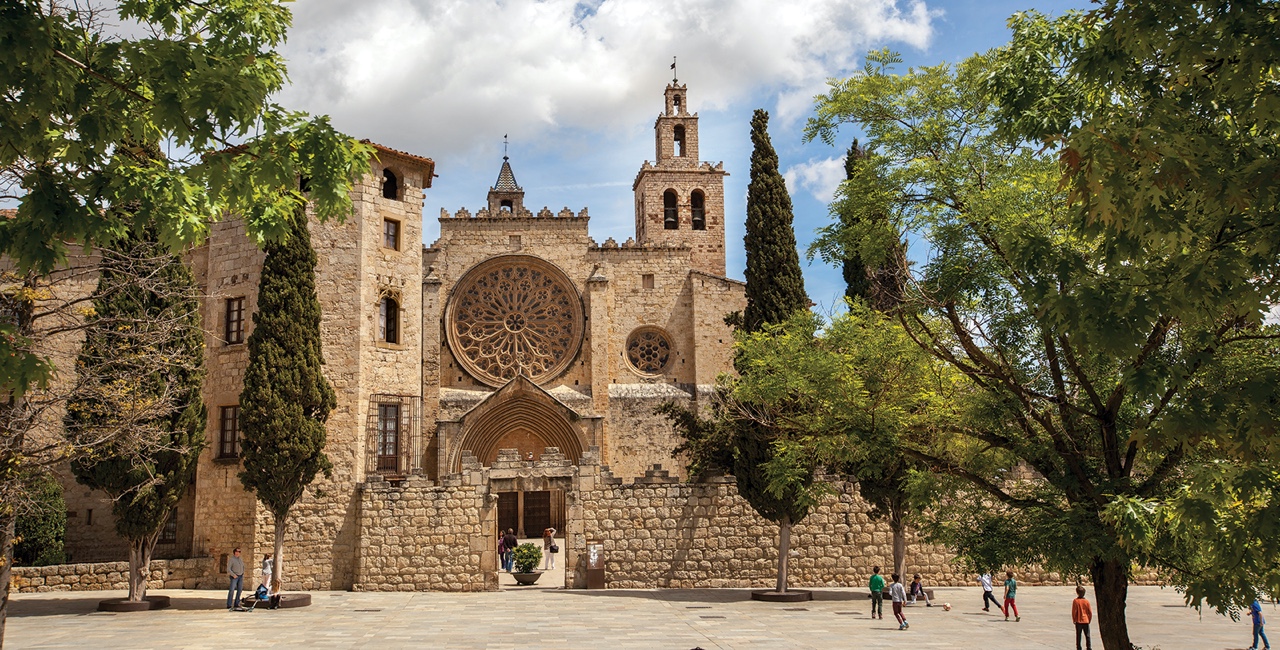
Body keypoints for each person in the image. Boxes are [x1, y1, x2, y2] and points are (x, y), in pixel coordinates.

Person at [1072, 585, 1093, 650]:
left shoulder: (1075, 601)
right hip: (1086, 620)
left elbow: (1074, 611)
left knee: (1078, 635)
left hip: (1078, 620)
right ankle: (1089, 647)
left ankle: (1079, 647)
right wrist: (1089, 619)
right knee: (1087, 635)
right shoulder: (1087, 601)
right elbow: (1090, 612)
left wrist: (1074, 619)